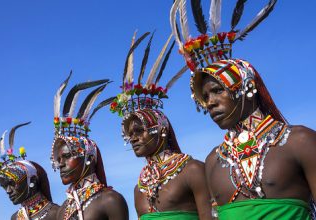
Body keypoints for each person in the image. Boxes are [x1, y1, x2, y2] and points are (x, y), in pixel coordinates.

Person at [170, 0, 316, 219]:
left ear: (247, 86)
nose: (210, 102)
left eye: (218, 90)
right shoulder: (213, 160)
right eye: (205, 97)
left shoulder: (299, 141)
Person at [110, 31, 212, 219]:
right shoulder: (138, 188)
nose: (133, 138)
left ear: (161, 130)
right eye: (129, 133)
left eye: (139, 130)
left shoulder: (193, 170)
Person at [51, 72, 129, 220]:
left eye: (67, 156)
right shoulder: (62, 210)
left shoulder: (110, 200)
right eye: (58, 158)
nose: (60, 164)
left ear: (88, 157)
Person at [0, 122, 59, 220]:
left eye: (12, 183)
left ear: (32, 181)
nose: (8, 191)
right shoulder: (15, 217)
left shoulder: (56, 213)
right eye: (4, 186)